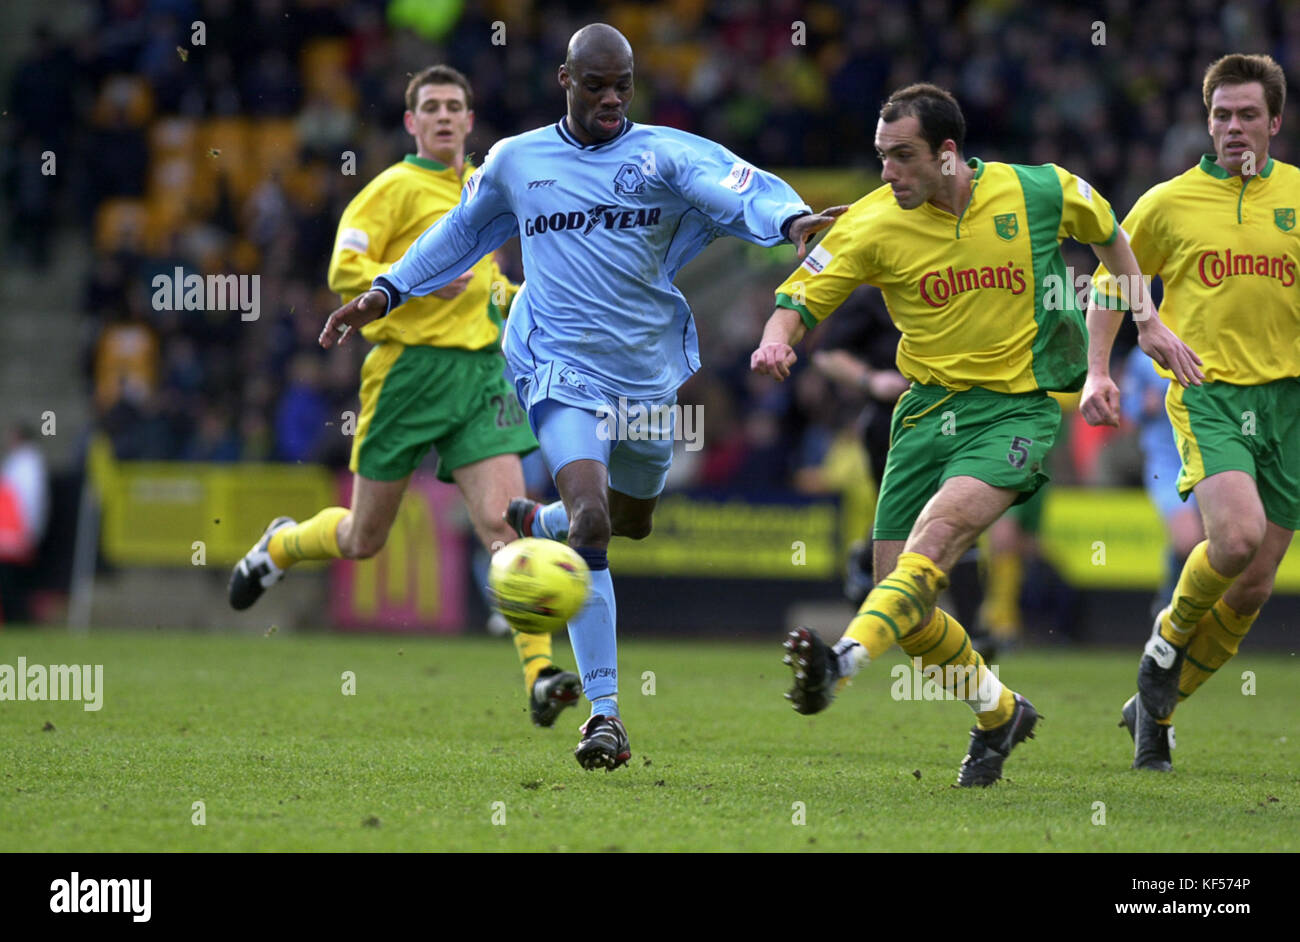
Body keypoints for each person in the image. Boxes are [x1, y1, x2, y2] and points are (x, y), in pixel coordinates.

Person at [319, 24, 839, 770]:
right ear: (565, 79)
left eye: (623, 85)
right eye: (596, 84)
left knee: (632, 519)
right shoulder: (517, 161)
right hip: (559, 367)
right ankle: (606, 716)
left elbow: (737, 186)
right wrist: (386, 288)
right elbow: (460, 234)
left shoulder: (662, 152)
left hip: (646, 372)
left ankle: (541, 519)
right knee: (594, 522)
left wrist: (792, 223)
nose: (611, 100)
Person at [752, 83, 1201, 786]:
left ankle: (840, 664)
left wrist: (1143, 321)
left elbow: (1110, 232)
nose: (886, 173)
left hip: (1015, 411)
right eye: (880, 157)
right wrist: (775, 342)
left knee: (932, 545)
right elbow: (797, 299)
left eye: (902, 157)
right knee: (906, 603)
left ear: (948, 154)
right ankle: (999, 712)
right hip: (924, 414)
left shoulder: (1038, 191)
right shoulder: (870, 223)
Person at [228, 65, 583, 729]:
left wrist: (520, 304)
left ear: (471, 122)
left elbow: (490, 284)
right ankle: (279, 547)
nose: (445, 116)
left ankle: (540, 678)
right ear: (412, 123)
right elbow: (343, 269)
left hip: (479, 377)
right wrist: (417, 279)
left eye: (456, 106)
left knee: (506, 524)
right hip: (406, 376)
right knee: (364, 538)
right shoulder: (391, 189)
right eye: (432, 107)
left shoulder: (485, 187)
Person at [1082, 53, 1296, 772]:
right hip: (1209, 391)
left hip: (1289, 404)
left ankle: (1155, 707)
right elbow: (1115, 285)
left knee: (1256, 584)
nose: (1234, 128)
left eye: (1246, 115)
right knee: (1235, 540)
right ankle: (1165, 643)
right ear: (1208, 122)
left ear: (1274, 120)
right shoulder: (1166, 203)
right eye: (1221, 115)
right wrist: (1096, 373)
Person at [1119, 344, 1204, 620]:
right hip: (1167, 464)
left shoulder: (1207, 342)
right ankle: (1170, 603)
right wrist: (1144, 405)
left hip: (1209, 457)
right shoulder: (1143, 356)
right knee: (1187, 539)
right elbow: (1127, 406)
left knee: (1215, 543)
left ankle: (1187, 611)